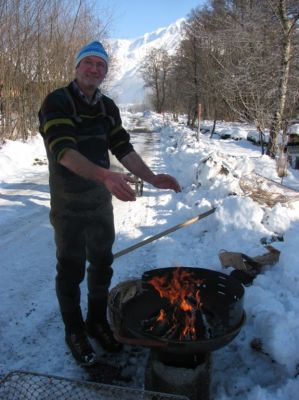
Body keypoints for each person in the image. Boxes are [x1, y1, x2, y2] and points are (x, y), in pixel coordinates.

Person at [38, 41, 181, 367]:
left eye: (100, 65)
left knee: (102, 265)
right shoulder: (57, 101)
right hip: (69, 203)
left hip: (100, 204)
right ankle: (74, 331)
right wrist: (104, 175)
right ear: (77, 67)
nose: (94, 69)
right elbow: (64, 151)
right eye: (88, 63)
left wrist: (153, 177)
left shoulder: (107, 107)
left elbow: (123, 147)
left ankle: (97, 322)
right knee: (71, 269)